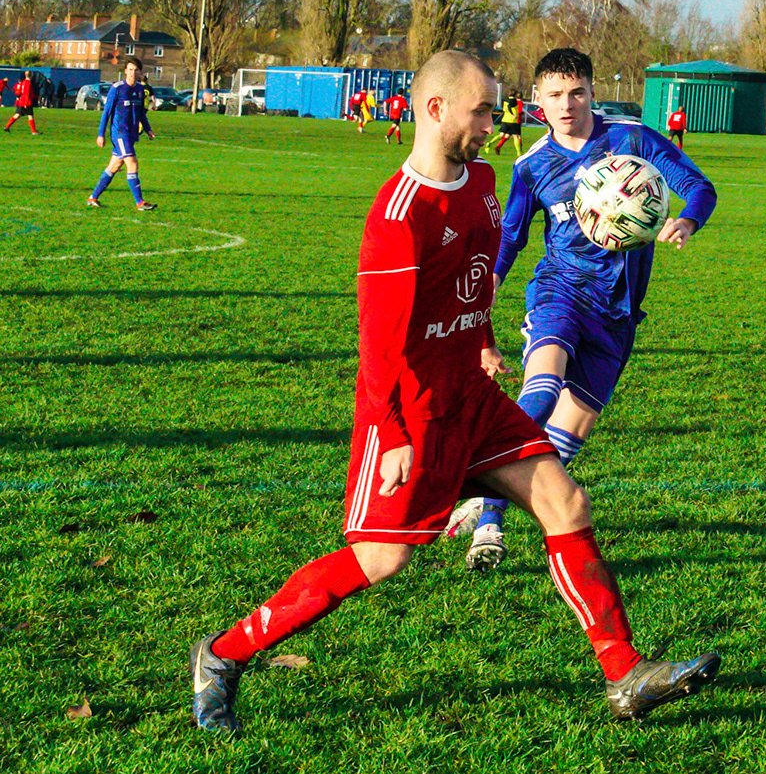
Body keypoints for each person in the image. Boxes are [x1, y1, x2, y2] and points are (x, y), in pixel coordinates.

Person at [187, 49, 720, 735]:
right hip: (414, 409)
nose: (492, 121)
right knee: (383, 558)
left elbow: (476, 279)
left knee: (565, 498)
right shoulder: (397, 215)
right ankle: (222, 655)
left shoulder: (485, 182)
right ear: (436, 110)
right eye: (480, 109)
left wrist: (486, 338)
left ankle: (624, 672)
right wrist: (396, 434)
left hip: (473, 394)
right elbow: (379, 344)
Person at [450, 48, 717, 572]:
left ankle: (484, 493)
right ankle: (489, 524)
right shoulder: (532, 167)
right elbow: (511, 237)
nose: (567, 104)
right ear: (537, 103)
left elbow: (698, 186)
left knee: (562, 444)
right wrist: (489, 291)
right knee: (542, 390)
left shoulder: (633, 140)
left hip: (618, 313)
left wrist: (687, 220)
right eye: (554, 96)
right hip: (560, 292)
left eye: (576, 93)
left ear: (593, 93)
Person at [87, 57, 156, 211]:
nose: (133, 73)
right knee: (132, 163)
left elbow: (141, 114)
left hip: (131, 134)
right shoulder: (117, 88)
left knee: (114, 165)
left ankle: (93, 197)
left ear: (140, 72)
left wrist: (148, 129)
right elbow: (106, 113)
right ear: (125, 71)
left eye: (136, 70)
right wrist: (100, 134)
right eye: (130, 70)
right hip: (119, 133)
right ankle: (140, 202)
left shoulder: (139, 90)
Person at [483, 91, 523, 156]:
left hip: (505, 120)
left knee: (502, 135)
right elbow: (510, 106)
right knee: (516, 136)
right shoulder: (514, 101)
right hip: (512, 121)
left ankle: (490, 143)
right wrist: (513, 114)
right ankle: (519, 153)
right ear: (515, 95)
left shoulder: (505, 102)